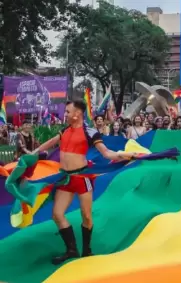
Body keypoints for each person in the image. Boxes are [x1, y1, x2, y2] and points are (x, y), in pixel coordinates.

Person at [32, 100, 137, 265]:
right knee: (57, 215)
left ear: (77, 114)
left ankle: (86, 250)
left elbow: (107, 153)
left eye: (67, 112)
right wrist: (35, 152)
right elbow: (52, 142)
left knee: (87, 216)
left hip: (82, 178)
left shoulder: (89, 132)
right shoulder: (65, 130)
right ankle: (71, 250)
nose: (64, 114)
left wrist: (127, 155)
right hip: (65, 178)